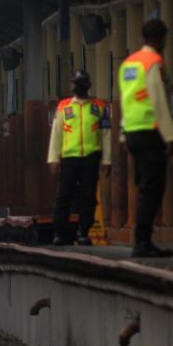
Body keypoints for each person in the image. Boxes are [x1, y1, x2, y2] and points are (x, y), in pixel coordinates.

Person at [118, 18, 173, 258]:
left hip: (132, 132)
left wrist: (123, 131)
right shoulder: (153, 62)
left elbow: (126, 98)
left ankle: (142, 239)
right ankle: (142, 242)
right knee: (152, 188)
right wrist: (170, 134)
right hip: (150, 131)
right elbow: (158, 99)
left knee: (144, 186)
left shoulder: (128, 64)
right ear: (160, 38)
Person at [47, 70, 112, 246]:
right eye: (76, 82)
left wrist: (107, 160)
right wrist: (53, 158)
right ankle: (60, 233)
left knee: (88, 197)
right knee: (63, 196)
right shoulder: (64, 106)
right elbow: (56, 133)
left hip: (91, 158)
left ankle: (83, 232)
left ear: (88, 86)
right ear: (72, 86)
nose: (78, 86)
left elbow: (106, 134)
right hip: (69, 157)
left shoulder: (99, 106)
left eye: (81, 82)